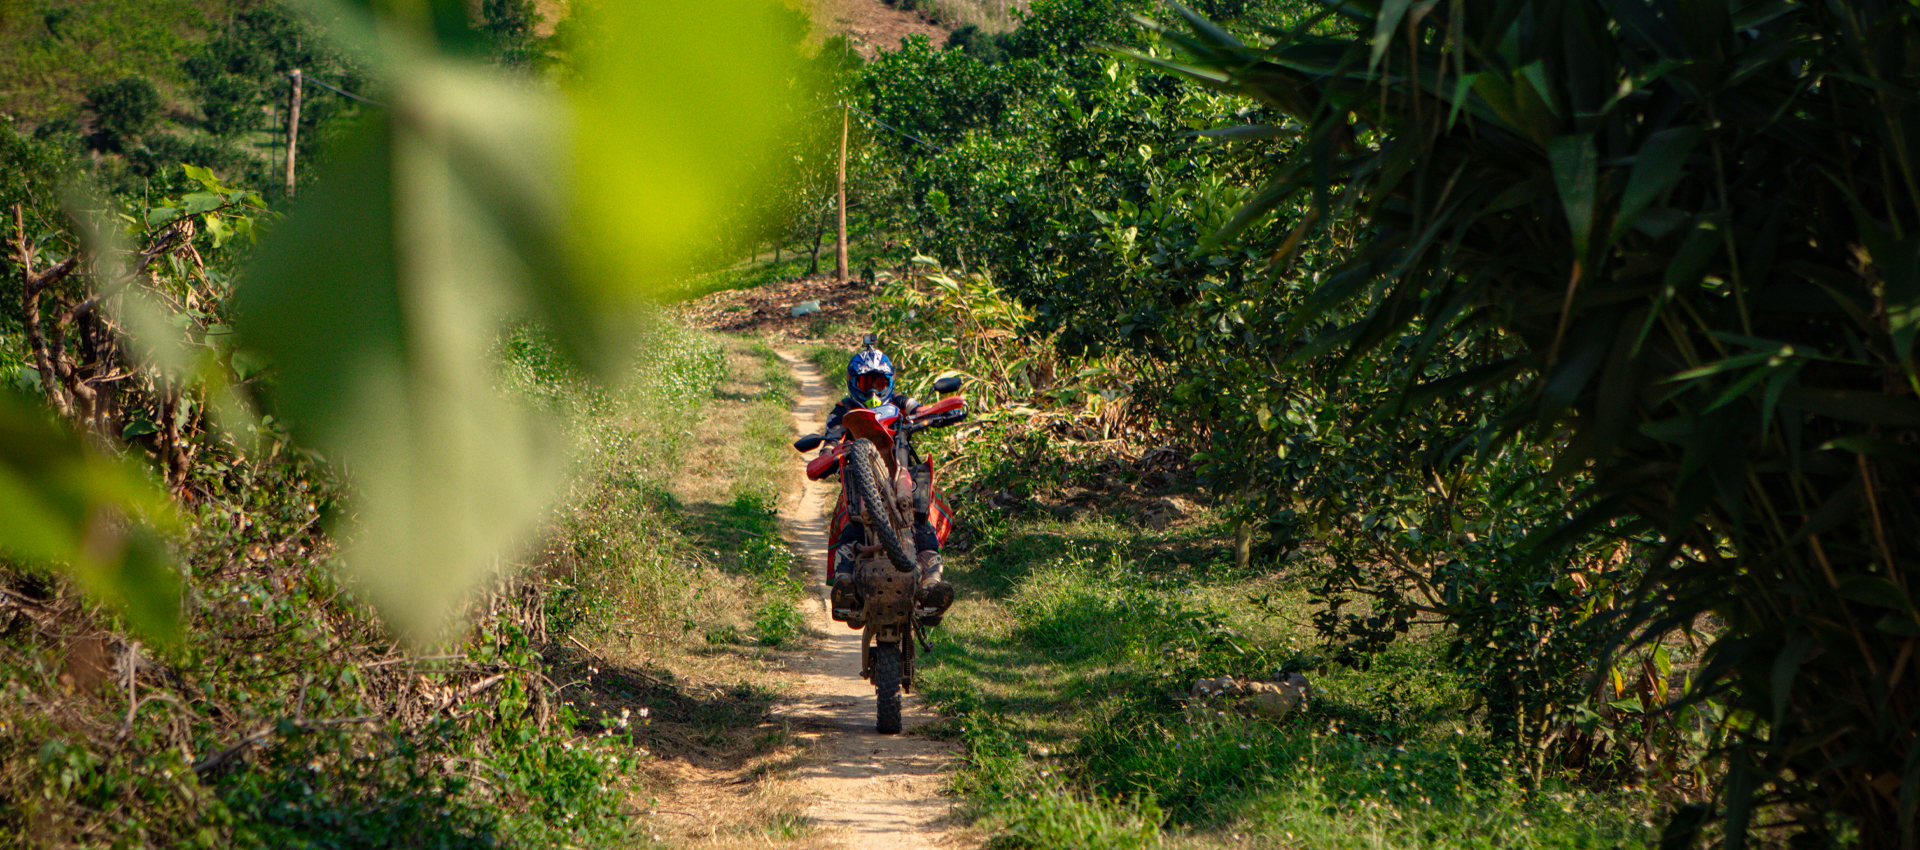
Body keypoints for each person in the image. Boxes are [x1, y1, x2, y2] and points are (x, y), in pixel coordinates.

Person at [819, 340, 955, 628]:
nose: (872, 390)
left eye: (879, 382)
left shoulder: (900, 403)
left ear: (890, 382)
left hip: (901, 472)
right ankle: (844, 584)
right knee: (850, 522)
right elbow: (830, 442)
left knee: (922, 520)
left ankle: (932, 583)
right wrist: (828, 454)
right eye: (866, 382)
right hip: (859, 481)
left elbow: (921, 409)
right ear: (853, 383)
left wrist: (941, 412)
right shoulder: (843, 411)